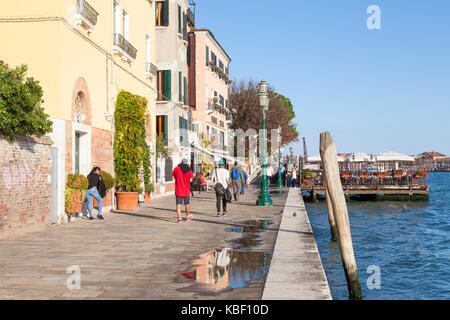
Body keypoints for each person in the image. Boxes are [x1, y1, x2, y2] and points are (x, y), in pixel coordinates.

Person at [172, 159, 194, 223]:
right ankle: (187, 217)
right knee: (186, 203)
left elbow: (172, 177)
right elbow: (190, 180)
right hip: (186, 189)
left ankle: (179, 218)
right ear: (187, 163)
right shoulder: (189, 170)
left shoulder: (176, 169)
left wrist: (178, 177)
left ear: (181, 162)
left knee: (178, 204)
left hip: (178, 189)